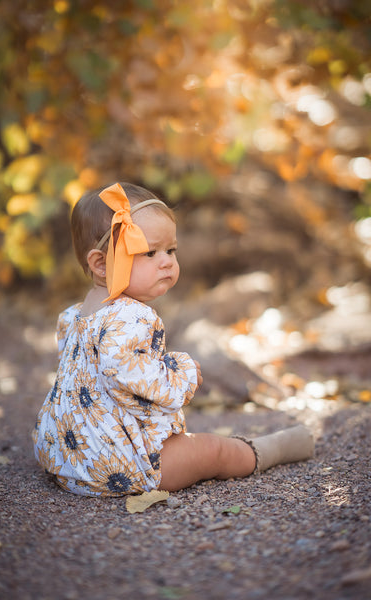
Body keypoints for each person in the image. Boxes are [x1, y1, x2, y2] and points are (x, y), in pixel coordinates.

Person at [32, 182, 314, 497]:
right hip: (116, 464)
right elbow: (140, 380)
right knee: (211, 451)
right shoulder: (130, 317)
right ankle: (267, 450)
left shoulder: (77, 315)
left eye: (171, 250)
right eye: (149, 252)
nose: (166, 261)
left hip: (65, 456)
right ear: (100, 264)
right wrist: (183, 375)